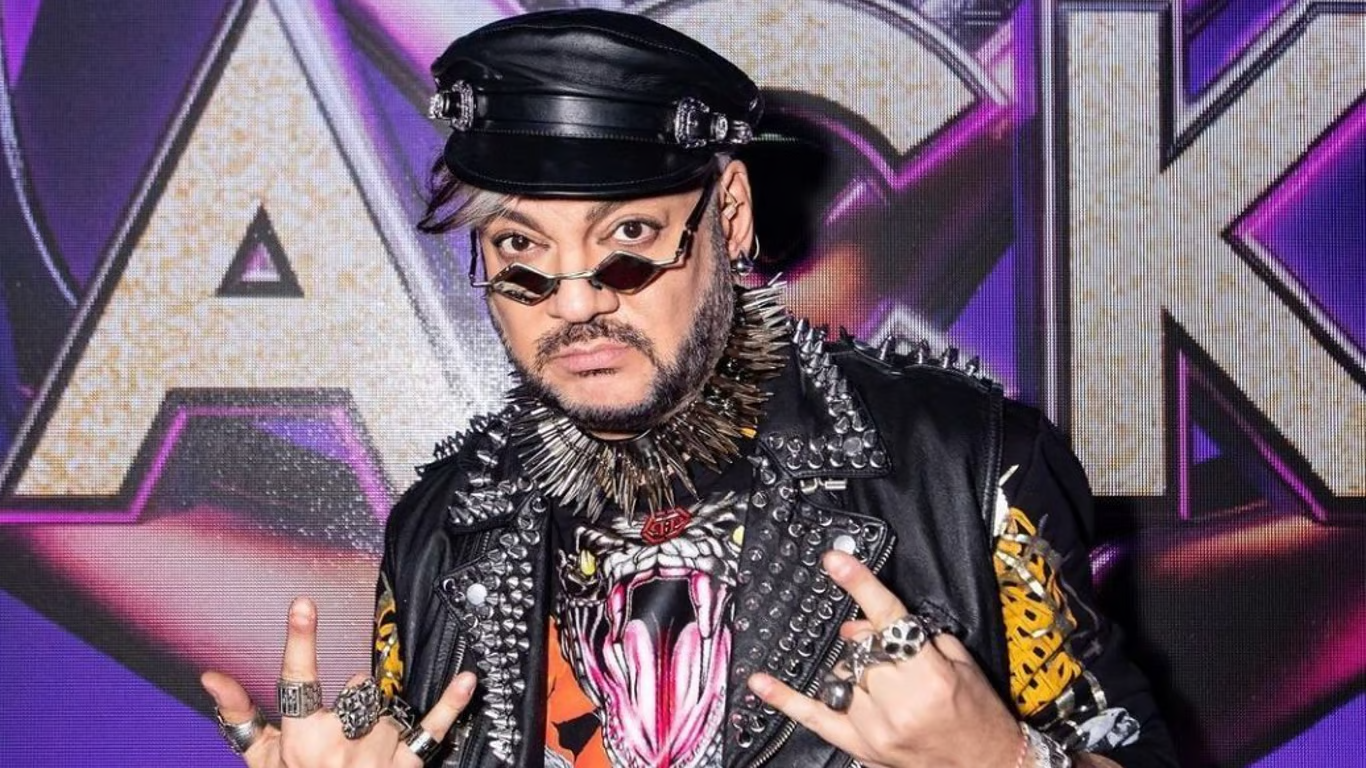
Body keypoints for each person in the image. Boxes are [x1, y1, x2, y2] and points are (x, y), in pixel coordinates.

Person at [201, 9, 1176, 768]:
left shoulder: (963, 468)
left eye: (628, 238)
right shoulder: (442, 531)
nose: (575, 302)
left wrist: (1003, 760)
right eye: (521, 249)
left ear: (732, 216)